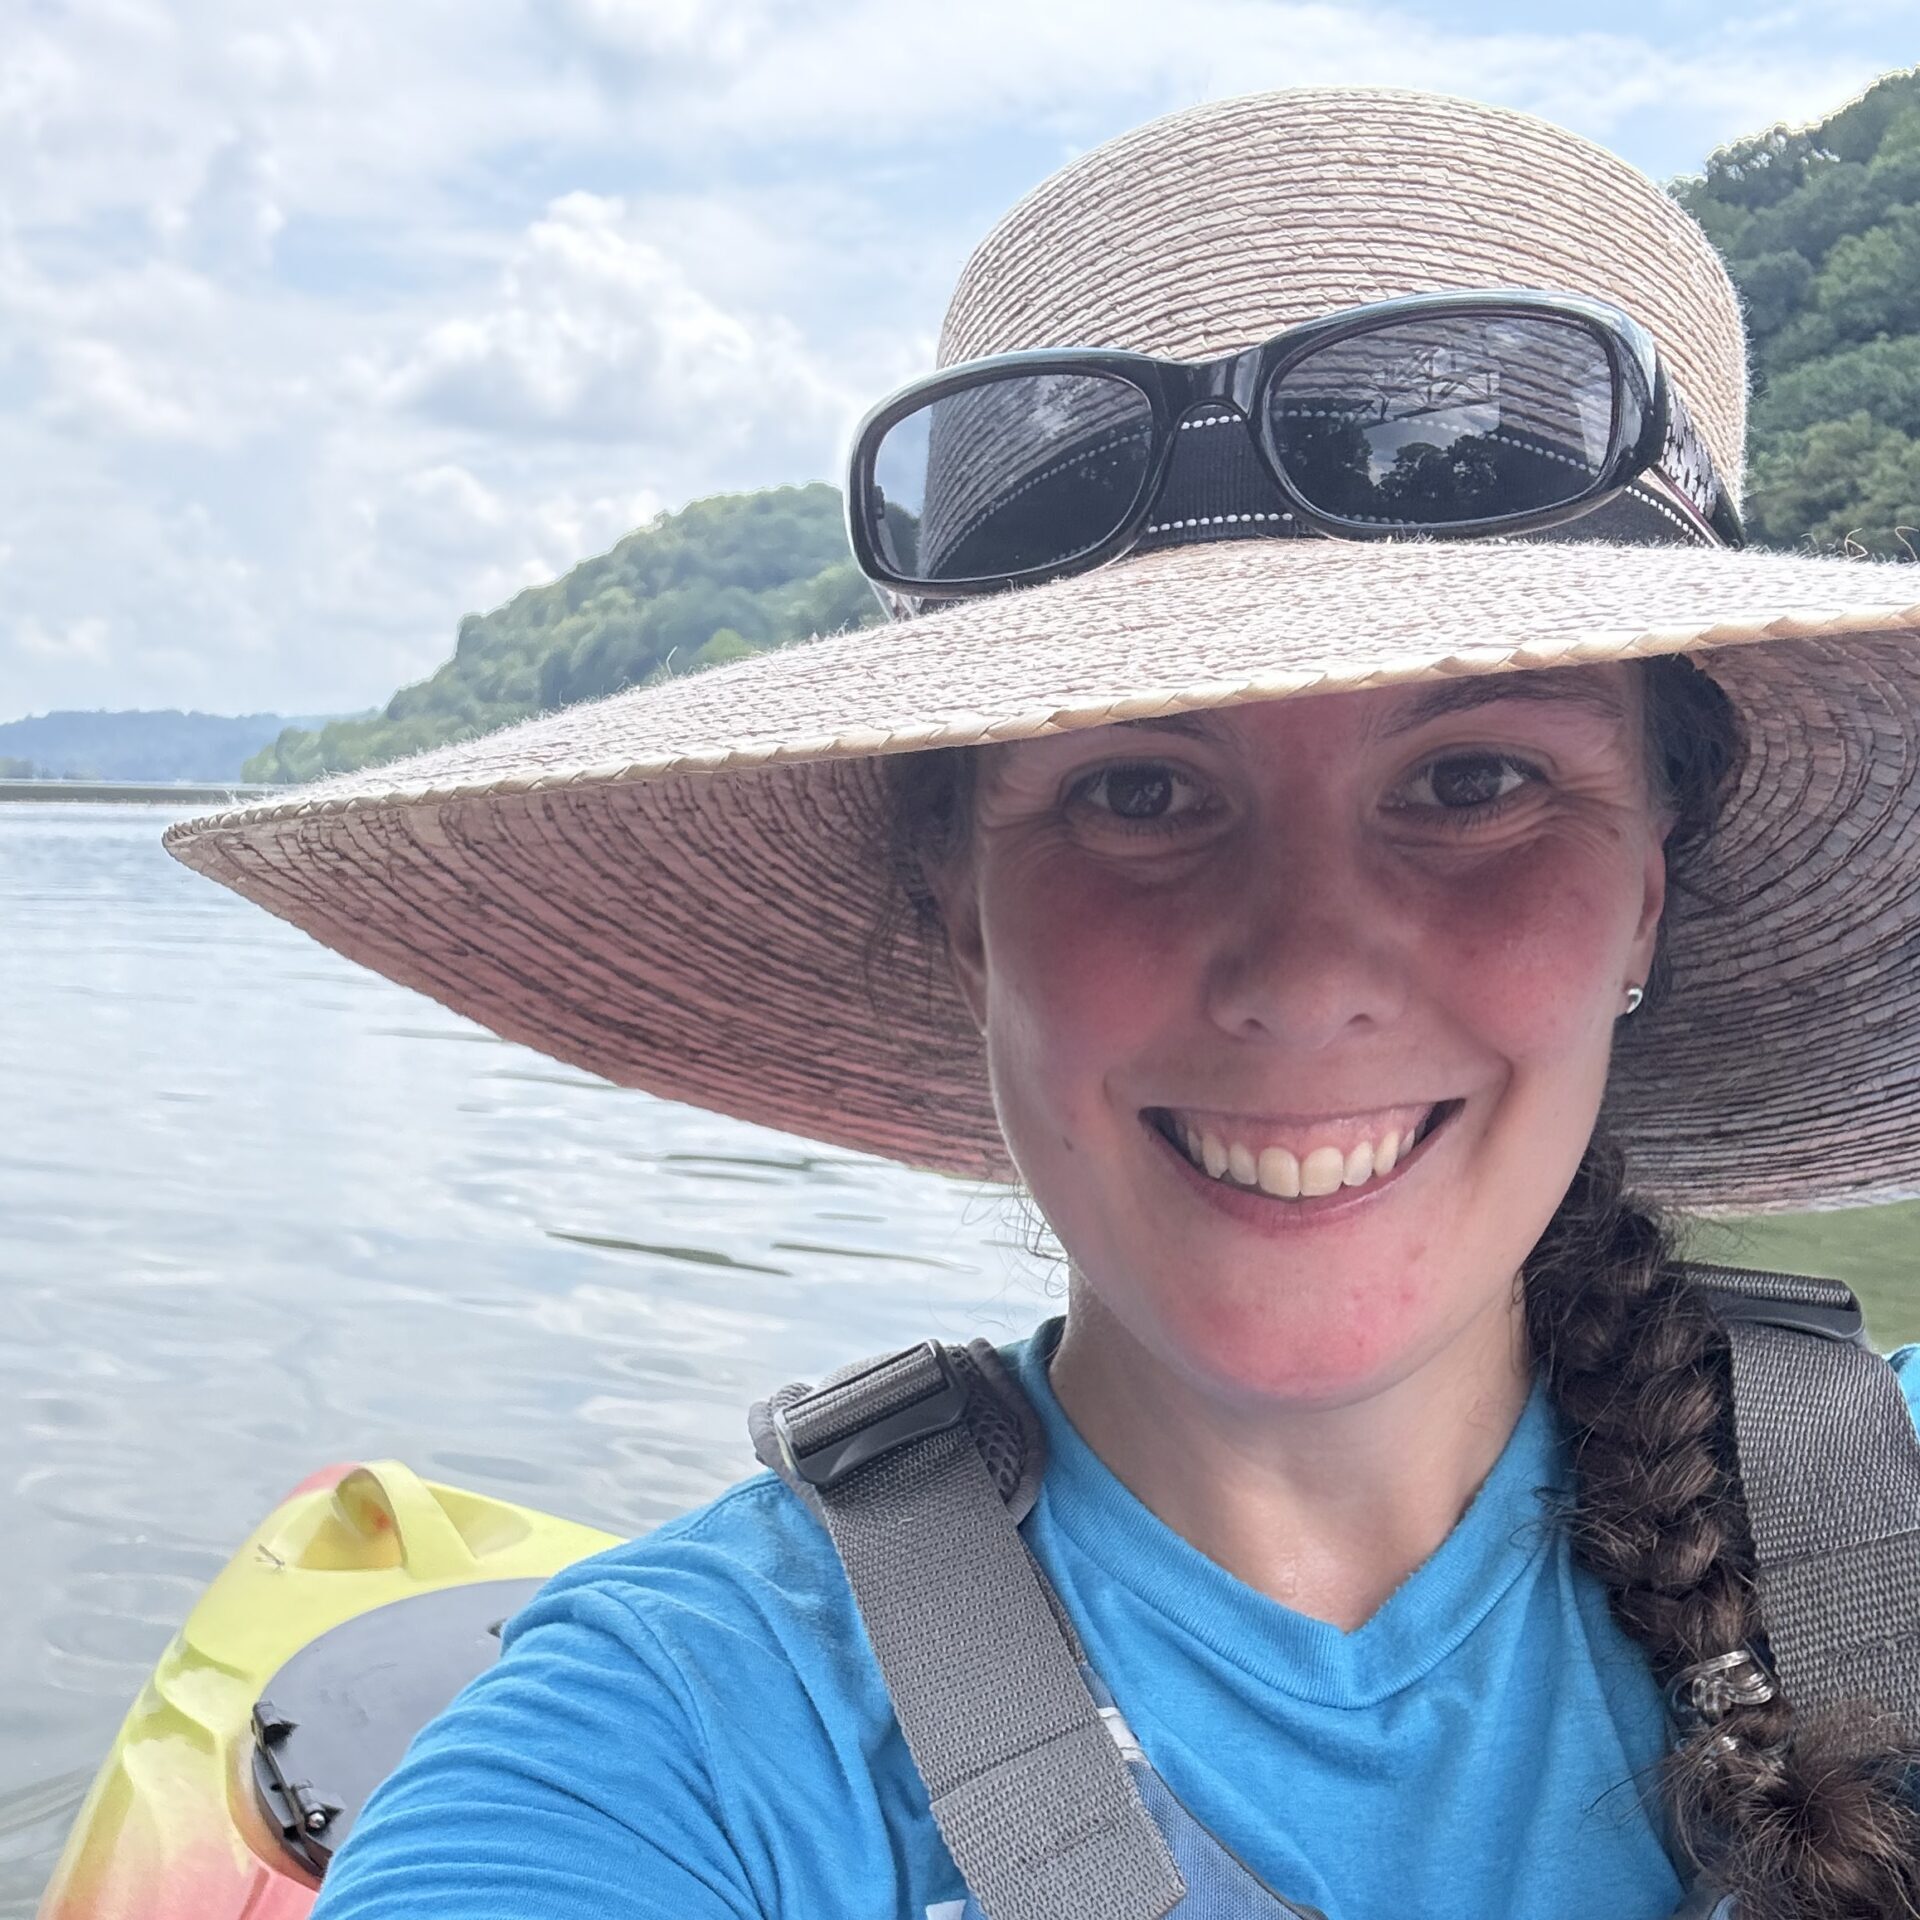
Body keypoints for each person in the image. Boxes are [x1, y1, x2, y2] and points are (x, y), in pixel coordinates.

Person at [166, 85, 1920, 1920]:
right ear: (964, 907)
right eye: (1140, 793)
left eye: (1473, 784)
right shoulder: (675, 1743)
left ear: (1647, 886)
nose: (1307, 972)